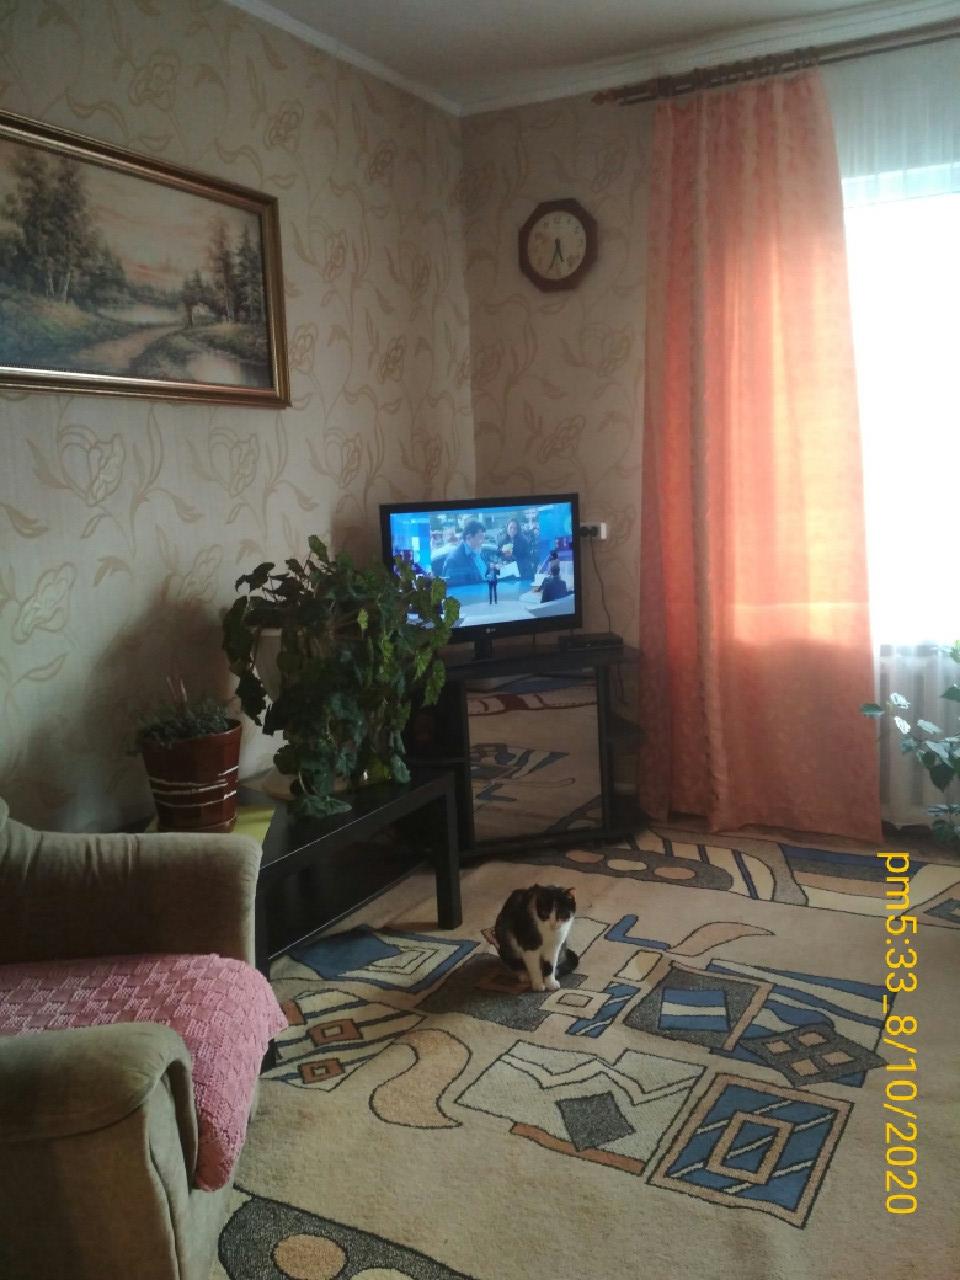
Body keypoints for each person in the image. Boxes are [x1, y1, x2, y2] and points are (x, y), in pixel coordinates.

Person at [442, 520, 488, 586]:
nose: (483, 541)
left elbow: (484, 572)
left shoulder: (477, 552)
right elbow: (456, 588)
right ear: (468, 537)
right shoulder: (454, 560)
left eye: (484, 537)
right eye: (480, 537)